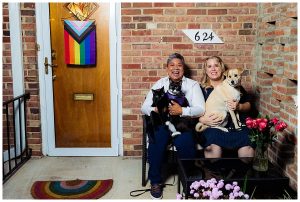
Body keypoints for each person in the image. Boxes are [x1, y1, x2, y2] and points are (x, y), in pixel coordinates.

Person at [141, 53, 205, 199]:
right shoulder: (159, 83)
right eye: (172, 65)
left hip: (183, 124)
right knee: (156, 140)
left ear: (183, 68)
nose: (176, 68)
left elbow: (201, 109)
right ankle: (156, 182)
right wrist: (154, 109)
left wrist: (182, 110)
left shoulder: (192, 85)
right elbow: (144, 107)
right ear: (167, 68)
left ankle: (187, 178)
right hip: (162, 122)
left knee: (186, 143)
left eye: (179, 65)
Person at [198, 56, 255, 158]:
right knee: (213, 145)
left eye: (216, 65)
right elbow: (194, 111)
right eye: (209, 66)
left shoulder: (234, 83)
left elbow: (249, 105)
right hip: (214, 124)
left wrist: (239, 106)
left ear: (222, 68)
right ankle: (213, 172)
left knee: (246, 144)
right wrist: (202, 119)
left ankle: (243, 172)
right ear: (206, 71)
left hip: (235, 124)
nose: (213, 69)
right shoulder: (202, 89)